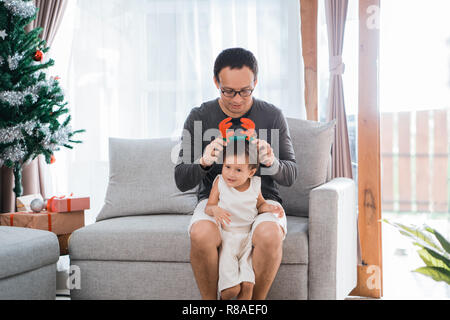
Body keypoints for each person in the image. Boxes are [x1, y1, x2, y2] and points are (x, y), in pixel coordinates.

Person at [175, 47, 298, 300]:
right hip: (215, 203)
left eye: (245, 91)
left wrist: (272, 162)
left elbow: (291, 174)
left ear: (255, 82)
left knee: (269, 233)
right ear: (215, 82)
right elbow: (181, 179)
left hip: (262, 201)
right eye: (228, 91)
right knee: (201, 233)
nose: (237, 99)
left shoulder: (272, 116)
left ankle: (254, 305)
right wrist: (204, 161)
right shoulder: (199, 117)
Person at [205, 138, 285, 300]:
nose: (230, 173)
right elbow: (208, 206)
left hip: (248, 240)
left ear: (251, 172)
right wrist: (215, 210)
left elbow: (260, 205)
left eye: (238, 170)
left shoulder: (255, 185)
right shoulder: (220, 182)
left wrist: (270, 208)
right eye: (227, 167)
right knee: (231, 291)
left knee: (248, 287)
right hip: (228, 239)